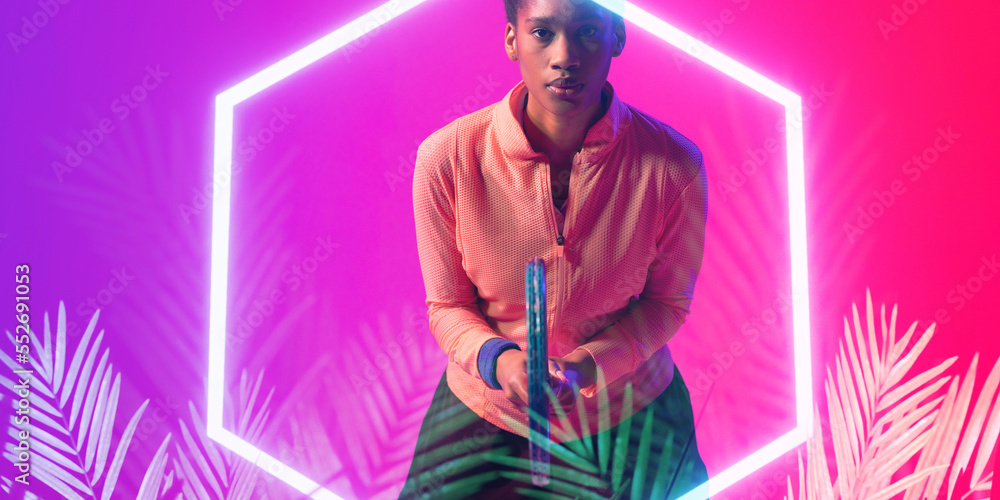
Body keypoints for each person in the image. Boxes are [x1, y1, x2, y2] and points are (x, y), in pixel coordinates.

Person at [400, 0, 710, 498]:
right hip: (489, 407)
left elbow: (667, 304)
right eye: (542, 32)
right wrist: (500, 361)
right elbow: (448, 306)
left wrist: (590, 364)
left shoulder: (674, 164)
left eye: (587, 31)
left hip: (634, 412)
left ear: (618, 38)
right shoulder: (446, 158)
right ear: (511, 40)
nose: (564, 56)